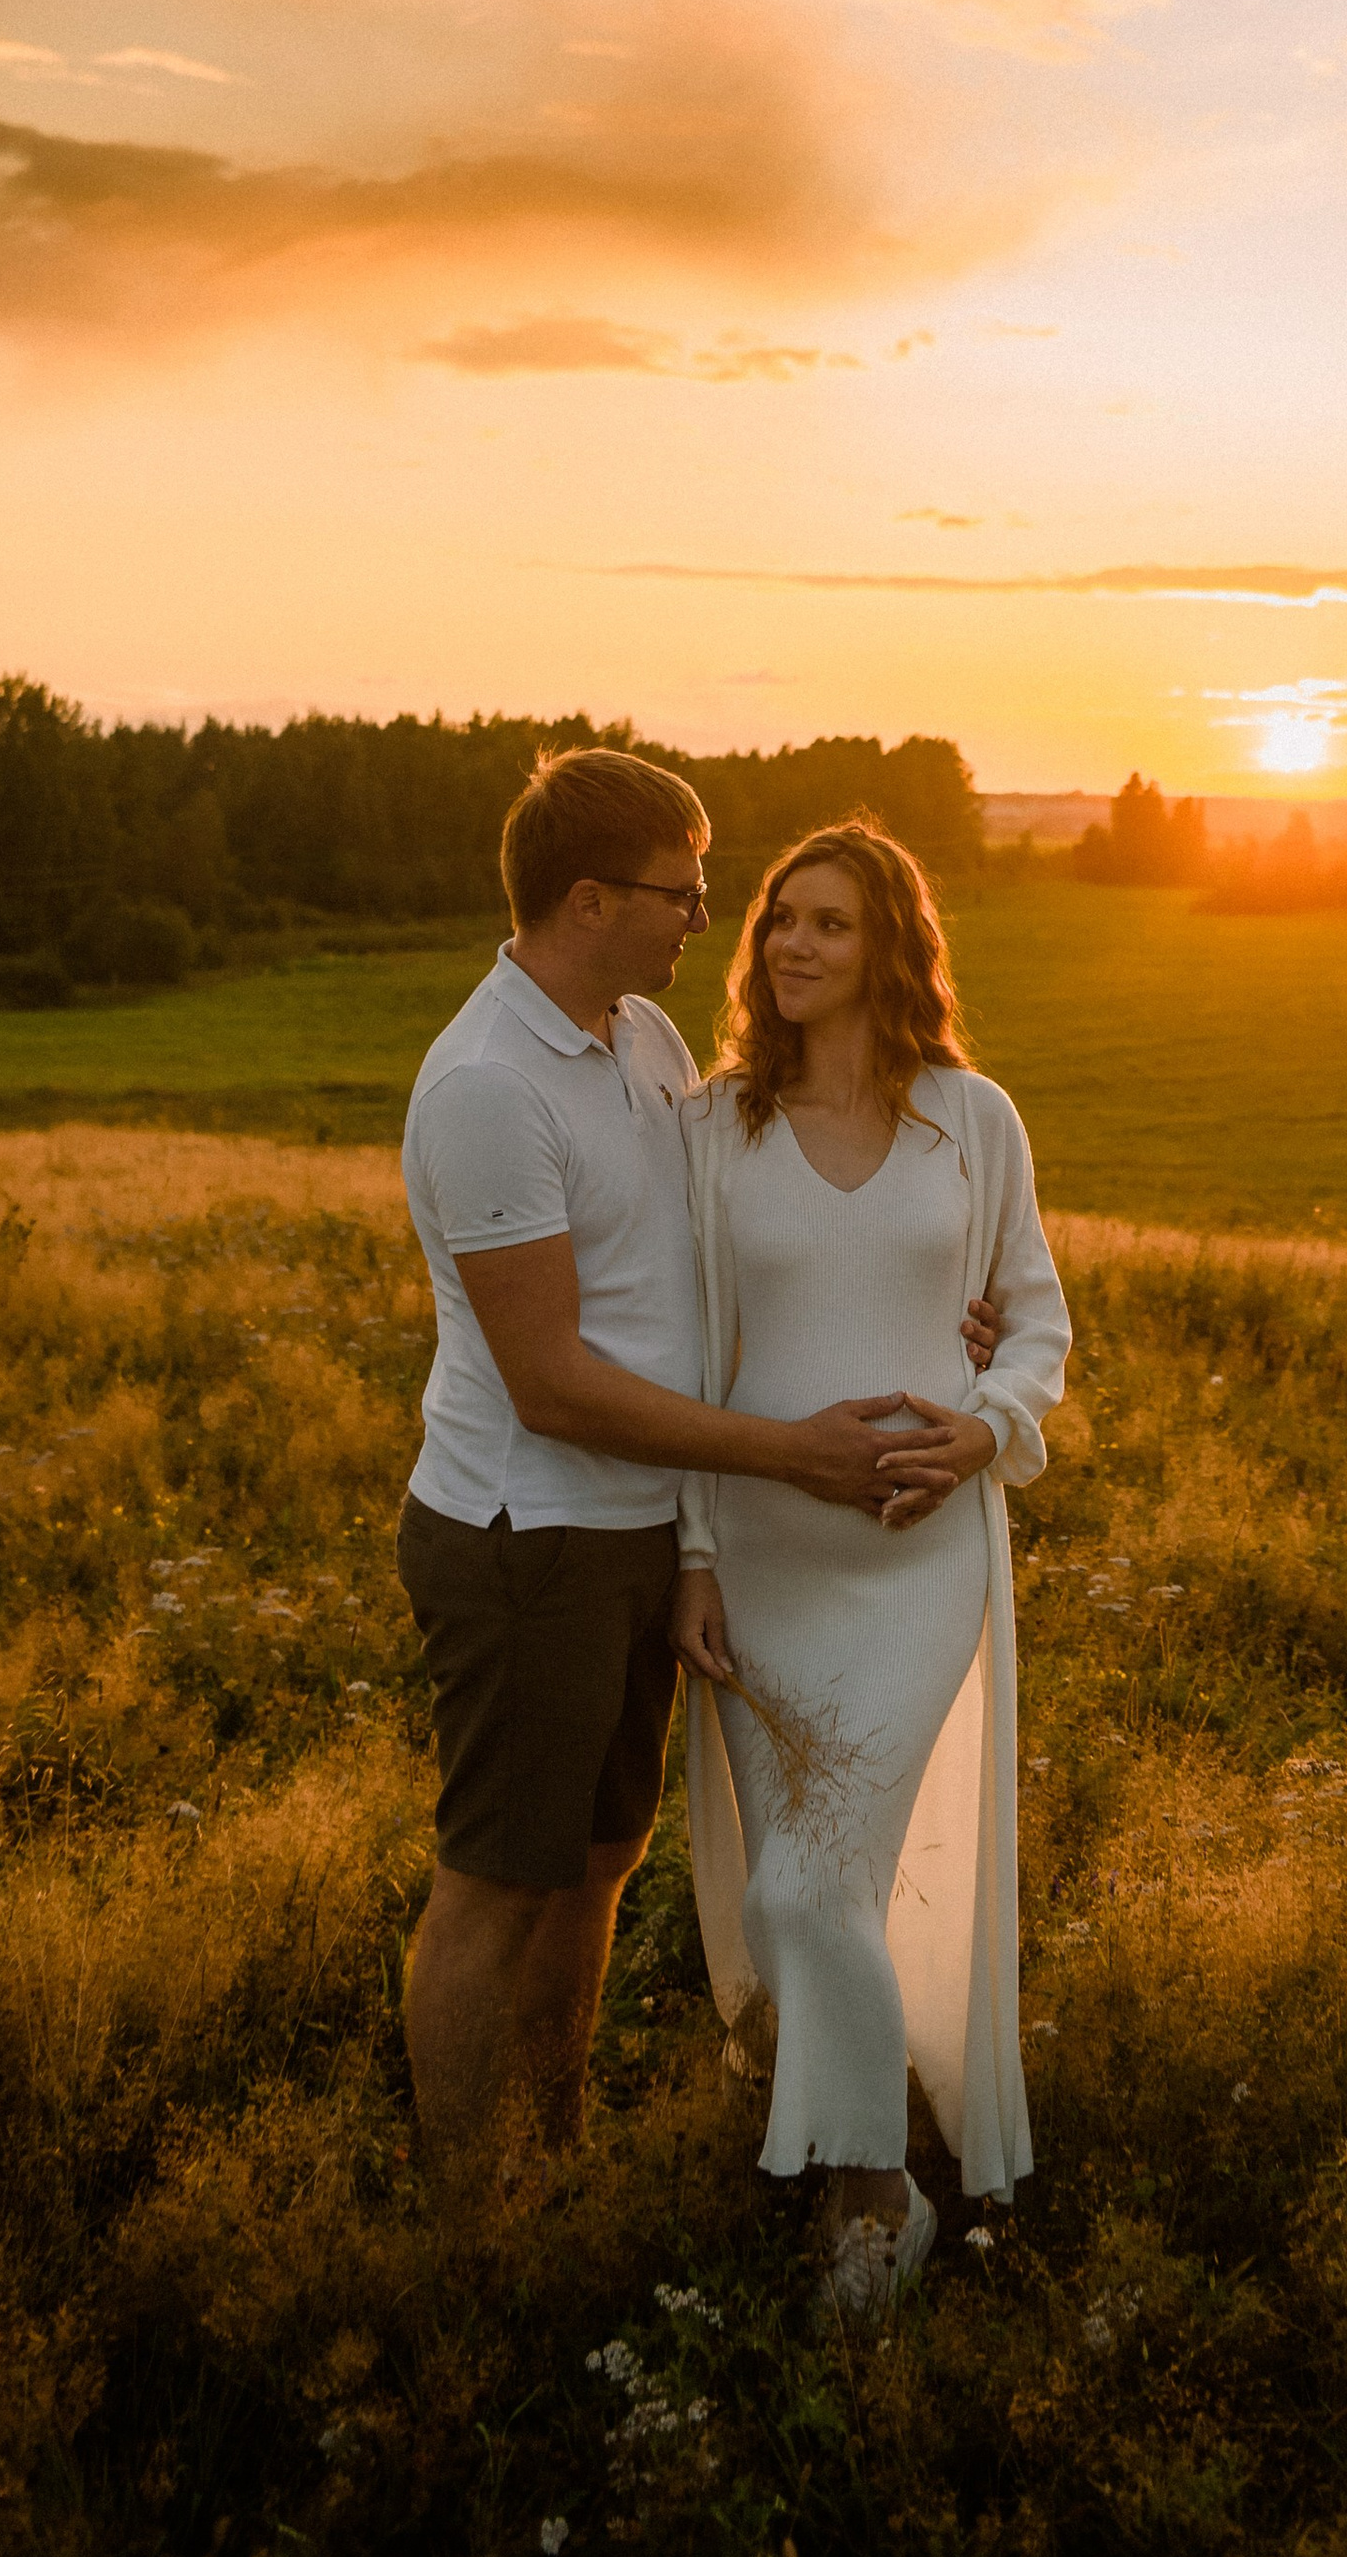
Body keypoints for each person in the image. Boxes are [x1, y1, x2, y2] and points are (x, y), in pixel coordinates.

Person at [394, 747, 1000, 2187]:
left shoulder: (640, 1043)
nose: (705, 917)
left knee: (596, 1868)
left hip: (633, 1538)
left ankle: (552, 2148)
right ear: (592, 897)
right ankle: (460, 2221)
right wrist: (786, 1456)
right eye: (685, 889)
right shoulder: (487, 1085)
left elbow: (744, 1243)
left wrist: (954, 1310)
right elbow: (550, 1384)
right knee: (498, 1881)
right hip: (526, 1536)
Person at [669, 819, 1072, 2317]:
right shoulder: (713, 1133)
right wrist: (693, 1555)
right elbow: (689, 1355)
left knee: (816, 1879)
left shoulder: (971, 1121)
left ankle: (874, 2199)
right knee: (799, 1900)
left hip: (917, 1570)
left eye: (829, 924)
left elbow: (1032, 1315)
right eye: (779, 920)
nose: (792, 946)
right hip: (760, 1567)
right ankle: (857, 2156)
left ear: (888, 946)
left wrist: (986, 1430)